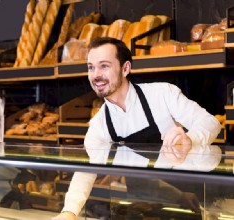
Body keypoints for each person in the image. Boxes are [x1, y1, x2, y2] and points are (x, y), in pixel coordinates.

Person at [52, 37, 221, 219]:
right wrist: (69, 211)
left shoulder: (162, 94)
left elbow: (211, 123)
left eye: (104, 66)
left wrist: (190, 139)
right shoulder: (99, 125)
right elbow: (86, 171)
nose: (95, 75)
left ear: (125, 69)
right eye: (91, 67)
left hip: (195, 202)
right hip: (145, 207)